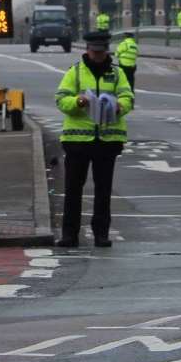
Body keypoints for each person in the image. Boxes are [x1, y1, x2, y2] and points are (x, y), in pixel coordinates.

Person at [54, 29, 133, 248]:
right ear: (87, 50)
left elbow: (128, 96)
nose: (97, 55)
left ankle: (101, 233)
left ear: (106, 50)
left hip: (107, 140)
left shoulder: (117, 74)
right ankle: (69, 235)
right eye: (94, 51)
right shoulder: (75, 72)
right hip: (78, 141)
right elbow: (61, 100)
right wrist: (78, 101)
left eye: (101, 51)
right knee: (73, 188)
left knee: (103, 189)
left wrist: (120, 105)